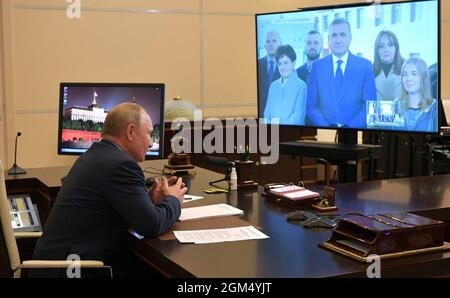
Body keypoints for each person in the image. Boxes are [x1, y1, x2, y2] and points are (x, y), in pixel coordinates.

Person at [31, 102, 187, 277]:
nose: (151, 142)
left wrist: (147, 201)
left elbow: (108, 207)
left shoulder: (93, 155)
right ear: (131, 131)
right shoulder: (121, 165)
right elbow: (151, 225)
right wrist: (173, 200)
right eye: (149, 133)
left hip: (57, 265)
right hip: (72, 271)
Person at [306, 18, 376, 128]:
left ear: (350, 38)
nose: (338, 40)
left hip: (355, 135)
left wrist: (348, 129)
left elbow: (369, 107)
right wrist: (327, 128)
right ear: (328, 39)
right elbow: (311, 106)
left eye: (342, 35)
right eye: (334, 35)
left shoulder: (365, 66)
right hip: (324, 135)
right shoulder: (317, 67)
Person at [263, 45, 307, 125]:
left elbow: (298, 119)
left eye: (286, 63)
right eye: (280, 64)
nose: (282, 67)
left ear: (293, 63)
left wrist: (278, 126)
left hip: (293, 133)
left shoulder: (301, 86)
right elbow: (266, 115)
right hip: (273, 133)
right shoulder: (273, 86)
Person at [399, 57, 438, 132]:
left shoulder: (435, 109)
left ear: (424, 78)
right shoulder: (394, 107)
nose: (408, 79)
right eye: (405, 74)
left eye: (414, 74)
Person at [373, 30, 404, 101]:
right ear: (377, 50)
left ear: (396, 48)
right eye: (381, 46)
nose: (386, 49)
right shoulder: (370, 71)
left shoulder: (406, 69)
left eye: (390, 45)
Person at [258, 31, 282, 116]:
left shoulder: (286, 67)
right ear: (264, 46)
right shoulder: (257, 64)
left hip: (281, 117)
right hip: (261, 115)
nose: (271, 44)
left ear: (280, 44)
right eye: (268, 41)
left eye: (274, 41)